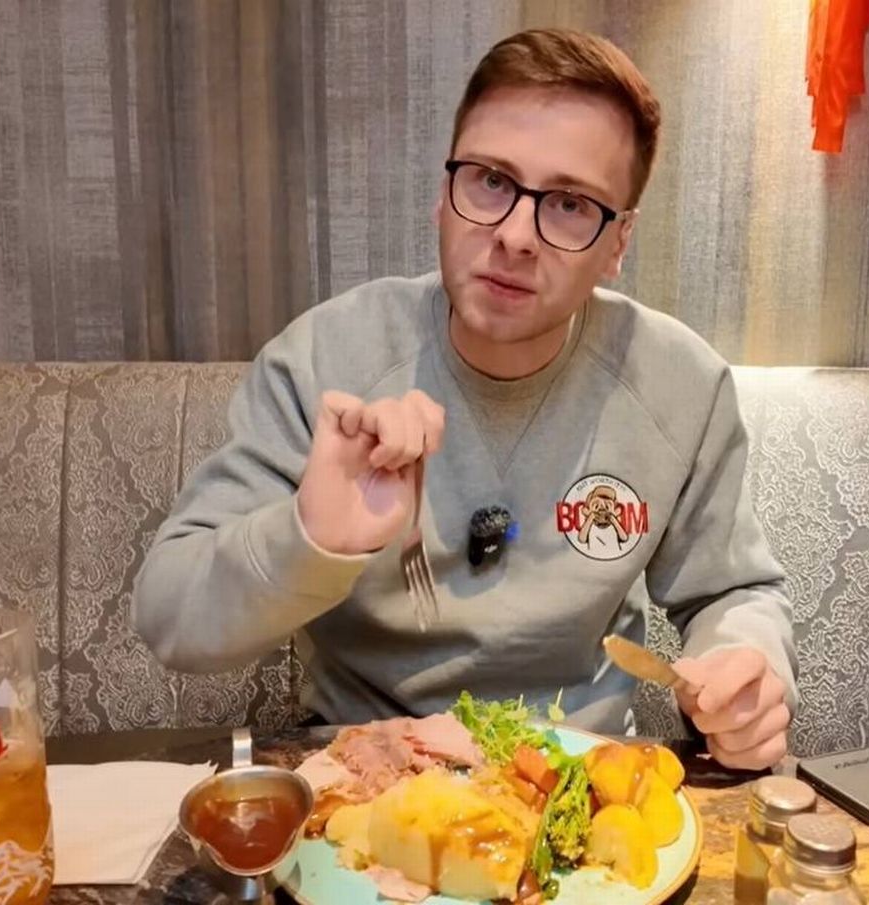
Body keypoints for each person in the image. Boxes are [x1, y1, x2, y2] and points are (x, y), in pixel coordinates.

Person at [133, 27, 796, 770]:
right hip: (361, 776)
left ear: (619, 243)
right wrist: (311, 535)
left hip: (580, 781)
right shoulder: (326, 361)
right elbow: (169, 616)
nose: (515, 234)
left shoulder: (681, 385)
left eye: (571, 204)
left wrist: (744, 667)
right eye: (490, 181)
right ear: (442, 197)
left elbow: (734, 591)